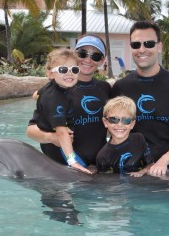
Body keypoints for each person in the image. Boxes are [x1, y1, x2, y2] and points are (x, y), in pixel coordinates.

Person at [111, 21, 169, 176]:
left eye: (148, 44)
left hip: (165, 169)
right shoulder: (120, 87)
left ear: (159, 46)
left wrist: (163, 161)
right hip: (128, 171)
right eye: (136, 45)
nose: (142, 49)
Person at [26, 35, 111, 169]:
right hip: (63, 169)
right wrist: (51, 137)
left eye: (95, 56)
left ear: (101, 61)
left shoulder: (105, 88)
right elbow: (30, 131)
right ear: (74, 55)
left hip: (96, 167)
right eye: (82, 53)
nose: (88, 59)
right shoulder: (56, 91)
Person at [31, 48, 92, 174]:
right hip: (57, 148)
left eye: (74, 70)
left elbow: (35, 95)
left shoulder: (53, 87)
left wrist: (42, 103)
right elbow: (62, 133)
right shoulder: (55, 99)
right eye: (62, 70)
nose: (69, 73)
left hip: (56, 144)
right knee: (83, 174)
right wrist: (72, 161)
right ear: (50, 74)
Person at [96, 96, 154, 177]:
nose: (120, 124)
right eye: (114, 119)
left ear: (132, 124)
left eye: (126, 120)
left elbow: (151, 165)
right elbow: (105, 182)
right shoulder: (103, 156)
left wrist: (142, 172)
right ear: (105, 122)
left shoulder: (139, 139)